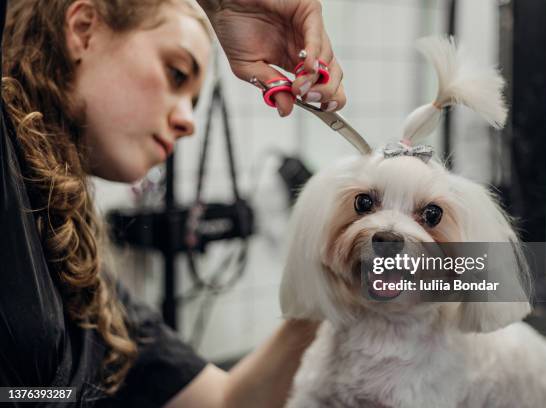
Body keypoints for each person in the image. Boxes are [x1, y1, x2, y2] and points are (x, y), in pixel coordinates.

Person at [0, 0, 345, 406]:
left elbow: (226, 401)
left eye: (195, 101)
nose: (189, 123)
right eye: (176, 73)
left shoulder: (82, 278)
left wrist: (331, 288)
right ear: (83, 29)